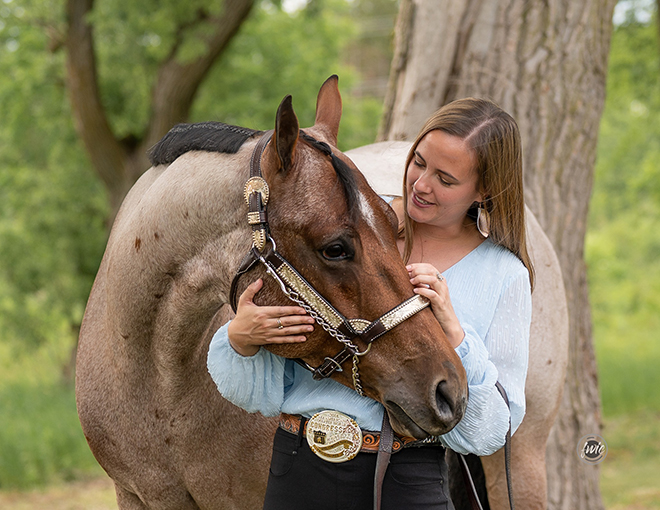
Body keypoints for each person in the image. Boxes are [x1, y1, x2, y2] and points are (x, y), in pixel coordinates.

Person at [207, 97, 533, 510]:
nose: (420, 184)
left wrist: (456, 334)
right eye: (418, 162)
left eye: (446, 179)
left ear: (483, 189)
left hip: (406, 479)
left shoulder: (502, 274)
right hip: (298, 469)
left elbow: (491, 432)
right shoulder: (349, 229)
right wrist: (242, 337)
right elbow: (264, 391)